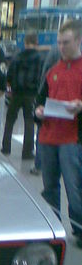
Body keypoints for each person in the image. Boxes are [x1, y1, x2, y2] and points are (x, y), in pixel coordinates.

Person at [35, 18, 82, 247]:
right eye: (59, 43)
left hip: (72, 140)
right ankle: (53, 225)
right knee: (50, 185)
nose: (61, 47)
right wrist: (39, 111)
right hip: (48, 137)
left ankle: (79, 229)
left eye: (66, 42)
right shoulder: (53, 70)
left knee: (74, 186)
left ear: (78, 41)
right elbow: (39, 99)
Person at [1, 33, 42, 159]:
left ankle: (6, 147)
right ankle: (27, 152)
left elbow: (9, 74)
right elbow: (41, 77)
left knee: (10, 120)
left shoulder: (17, 57)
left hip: (16, 93)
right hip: (31, 94)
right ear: (36, 43)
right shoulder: (39, 58)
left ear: (25, 43)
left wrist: (11, 87)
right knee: (29, 122)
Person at [30, 45, 60, 175]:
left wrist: (40, 99)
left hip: (48, 101)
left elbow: (44, 75)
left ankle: (39, 165)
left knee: (43, 133)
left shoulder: (54, 52)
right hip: (61, 106)